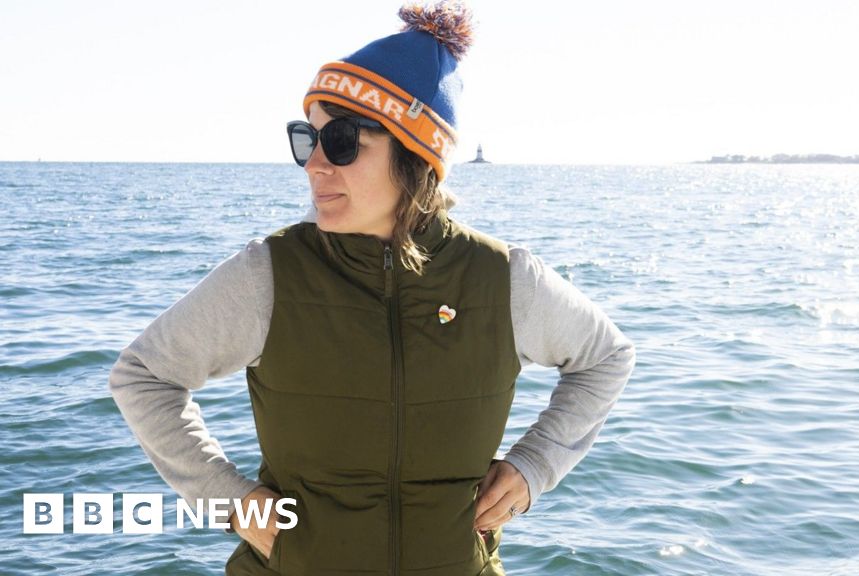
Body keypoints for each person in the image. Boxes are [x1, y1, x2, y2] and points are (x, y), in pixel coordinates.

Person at [108, 2, 636, 575]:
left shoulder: (503, 278)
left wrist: (536, 465)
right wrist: (230, 500)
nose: (314, 164)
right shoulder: (269, 275)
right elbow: (143, 376)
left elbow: (605, 357)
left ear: (415, 154)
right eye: (306, 139)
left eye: (340, 141)